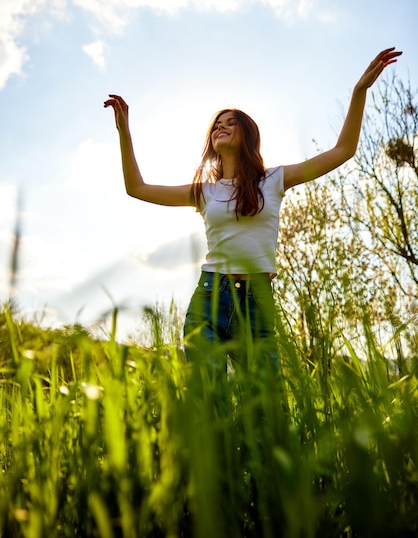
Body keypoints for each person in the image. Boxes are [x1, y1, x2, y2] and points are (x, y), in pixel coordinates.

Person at [104, 47, 401, 368]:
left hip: (258, 302)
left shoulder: (273, 179)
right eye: (216, 124)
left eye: (230, 123)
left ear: (247, 134)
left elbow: (343, 150)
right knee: (210, 398)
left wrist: (359, 91)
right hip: (210, 299)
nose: (220, 126)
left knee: (265, 410)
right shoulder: (204, 192)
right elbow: (138, 188)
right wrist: (125, 132)